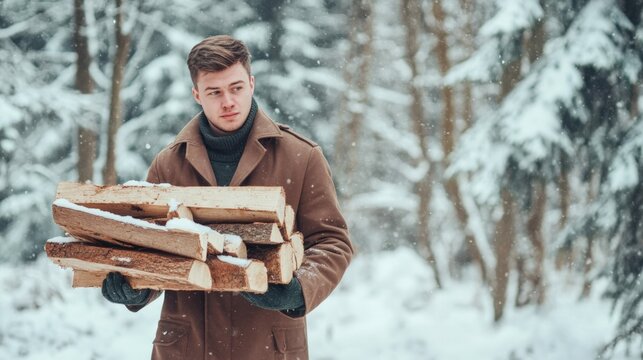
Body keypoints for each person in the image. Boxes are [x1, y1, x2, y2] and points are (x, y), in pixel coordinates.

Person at [100, 35, 353, 360]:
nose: (228, 101)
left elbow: (333, 242)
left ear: (251, 83)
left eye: (235, 88)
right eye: (214, 92)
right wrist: (132, 286)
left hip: (269, 346)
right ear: (196, 94)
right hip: (187, 346)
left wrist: (297, 290)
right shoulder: (169, 163)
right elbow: (151, 249)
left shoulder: (302, 157)